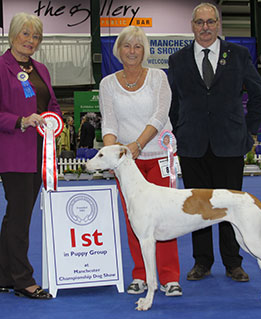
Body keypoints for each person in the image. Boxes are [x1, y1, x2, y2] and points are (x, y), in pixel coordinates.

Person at [168, 3, 261, 282]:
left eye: (211, 22)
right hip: (192, 145)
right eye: (199, 22)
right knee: (197, 209)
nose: (205, 28)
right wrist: (179, 129)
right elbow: (173, 102)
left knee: (230, 207)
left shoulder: (239, 55)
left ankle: (234, 262)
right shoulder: (178, 60)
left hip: (230, 144)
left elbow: (258, 94)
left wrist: (250, 132)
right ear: (192, 25)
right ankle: (202, 262)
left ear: (218, 24)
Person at [99, 25, 182, 296]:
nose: (132, 51)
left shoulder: (159, 77)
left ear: (144, 51)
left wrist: (138, 144)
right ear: (118, 50)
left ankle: (170, 277)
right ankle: (141, 275)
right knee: (134, 219)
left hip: (158, 154)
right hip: (126, 163)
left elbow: (160, 116)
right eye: (127, 46)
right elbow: (109, 124)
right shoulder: (107, 84)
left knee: (166, 217)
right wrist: (114, 154)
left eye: (137, 46)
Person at [0, 13, 62, 299]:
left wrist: (54, 121)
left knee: (14, 216)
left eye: (36, 36)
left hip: (39, 150)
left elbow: (52, 104)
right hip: (13, 151)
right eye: (25, 34)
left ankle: (4, 274)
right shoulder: (1, 67)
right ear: (13, 35)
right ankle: (24, 280)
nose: (31, 41)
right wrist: (21, 121)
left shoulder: (41, 69)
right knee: (20, 216)